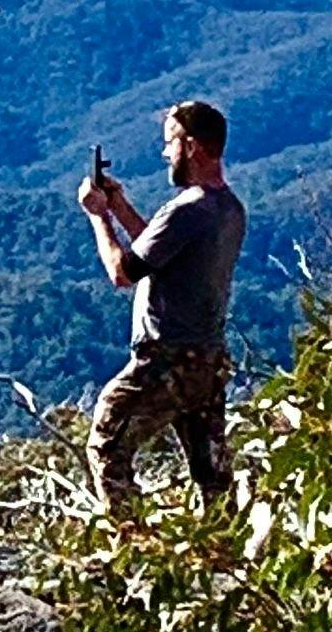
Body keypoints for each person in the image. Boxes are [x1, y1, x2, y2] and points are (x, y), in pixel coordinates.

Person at [78, 99, 244, 517]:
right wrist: (119, 206)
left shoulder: (187, 210)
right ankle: (225, 556)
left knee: (107, 446)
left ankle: (137, 548)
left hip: (167, 361)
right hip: (207, 362)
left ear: (190, 146)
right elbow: (160, 254)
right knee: (213, 476)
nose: (164, 153)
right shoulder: (227, 208)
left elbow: (123, 272)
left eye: (169, 142)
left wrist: (99, 217)